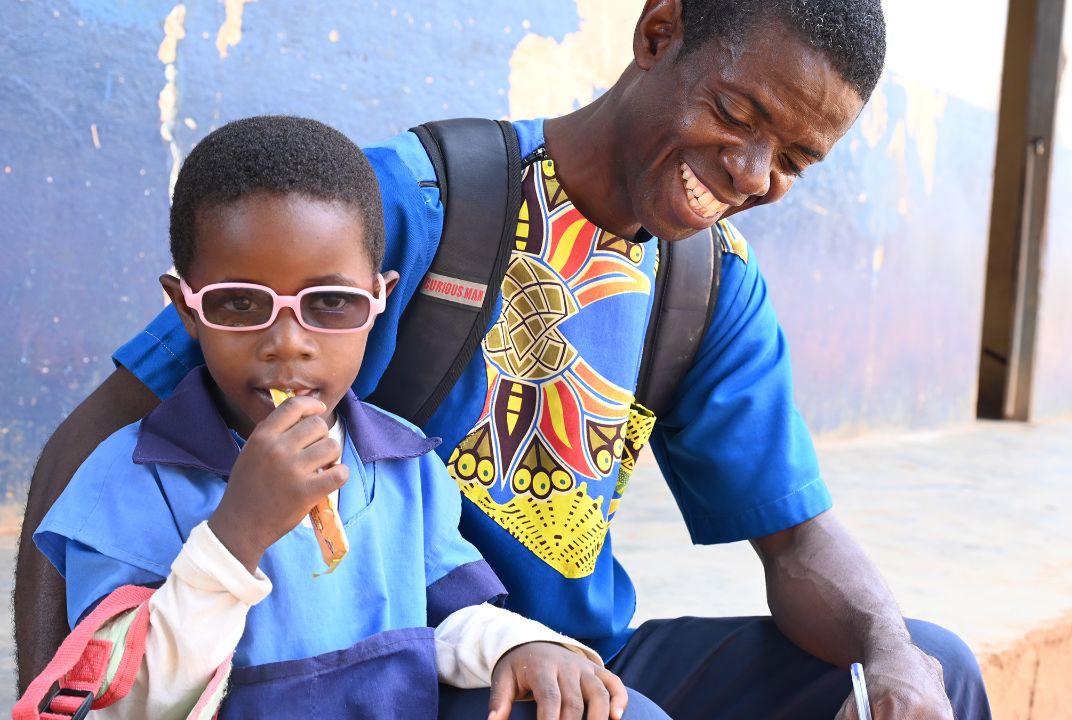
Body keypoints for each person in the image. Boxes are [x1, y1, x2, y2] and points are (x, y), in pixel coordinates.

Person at [17, 1, 993, 719]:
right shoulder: (408, 203)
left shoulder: (710, 286)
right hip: (411, 664)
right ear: (659, 35)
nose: (751, 174)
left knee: (926, 670)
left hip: (581, 656)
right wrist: (46, 685)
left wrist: (889, 651)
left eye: (793, 158)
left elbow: (799, 542)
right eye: (738, 115)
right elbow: (93, 444)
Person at [14, 116, 641, 720]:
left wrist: (520, 645)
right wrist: (237, 534)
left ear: (380, 301)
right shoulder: (127, 483)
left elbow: (450, 618)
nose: (288, 343)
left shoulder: (405, 465)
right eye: (239, 303)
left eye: (332, 303)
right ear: (186, 309)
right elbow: (130, 702)